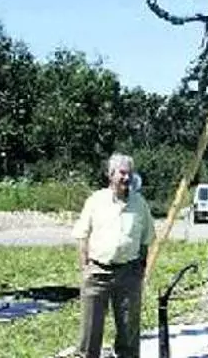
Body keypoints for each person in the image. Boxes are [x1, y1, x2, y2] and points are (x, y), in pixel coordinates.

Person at [72, 153, 156, 358]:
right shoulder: (96, 201)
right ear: (110, 175)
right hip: (97, 273)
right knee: (90, 333)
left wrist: (139, 270)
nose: (127, 178)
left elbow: (146, 239)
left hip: (128, 273)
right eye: (122, 173)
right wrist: (85, 269)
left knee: (128, 332)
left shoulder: (139, 203)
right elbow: (82, 235)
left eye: (130, 174)